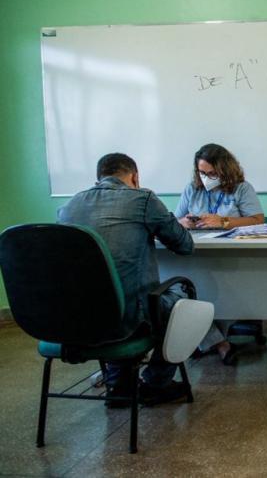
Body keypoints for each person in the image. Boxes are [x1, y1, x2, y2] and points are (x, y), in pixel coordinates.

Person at [57, 153, 194, 407]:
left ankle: (119, 384)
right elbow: (184, 245)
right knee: (184, 300)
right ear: (135, 177)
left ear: (98, 178)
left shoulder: (69, 206)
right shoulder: (143, 199)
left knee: (109, 294)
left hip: (75, 320)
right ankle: (155, 383)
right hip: (128, 316)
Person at [175, 143, 265, 364]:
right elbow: (174, 221)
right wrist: (184, 222)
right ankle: (221, 344)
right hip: (196, 255)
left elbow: (257, 220)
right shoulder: (191, 189)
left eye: (212, 173)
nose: (206, 178)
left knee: (223, 294)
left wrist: (224, 221)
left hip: (230, 257)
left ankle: (210, 341)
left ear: (224, 170)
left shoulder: (242, 188)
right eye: (202, 173)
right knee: (188, 294)